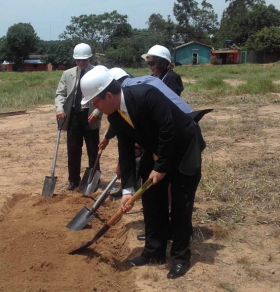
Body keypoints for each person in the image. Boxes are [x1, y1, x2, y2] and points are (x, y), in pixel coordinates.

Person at [80, 68, 205, 279]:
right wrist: (128, 189)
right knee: (151, 200)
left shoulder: (146, 95)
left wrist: (162, 167)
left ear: (108, 96)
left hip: (183, 148)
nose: (95, 107)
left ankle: (180, 258)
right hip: (157, 150)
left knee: (181, 204)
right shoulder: (116, 117)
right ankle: (154, 252)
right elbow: (126, 151)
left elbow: (168, 130)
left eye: (95, 101)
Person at [55, 43, 102, 190]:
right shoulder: (67, 74)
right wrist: (60, 108)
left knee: (93, 149)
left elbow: (104, 95)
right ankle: (73, 180)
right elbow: (60, 94)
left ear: (90, 58)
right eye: (78, 60)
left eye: (84, 60)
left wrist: (97, 112)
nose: (81, 63)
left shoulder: (97, 73)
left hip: (90, 115)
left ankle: (94, 178)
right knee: (73, 149)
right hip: (74, 116)